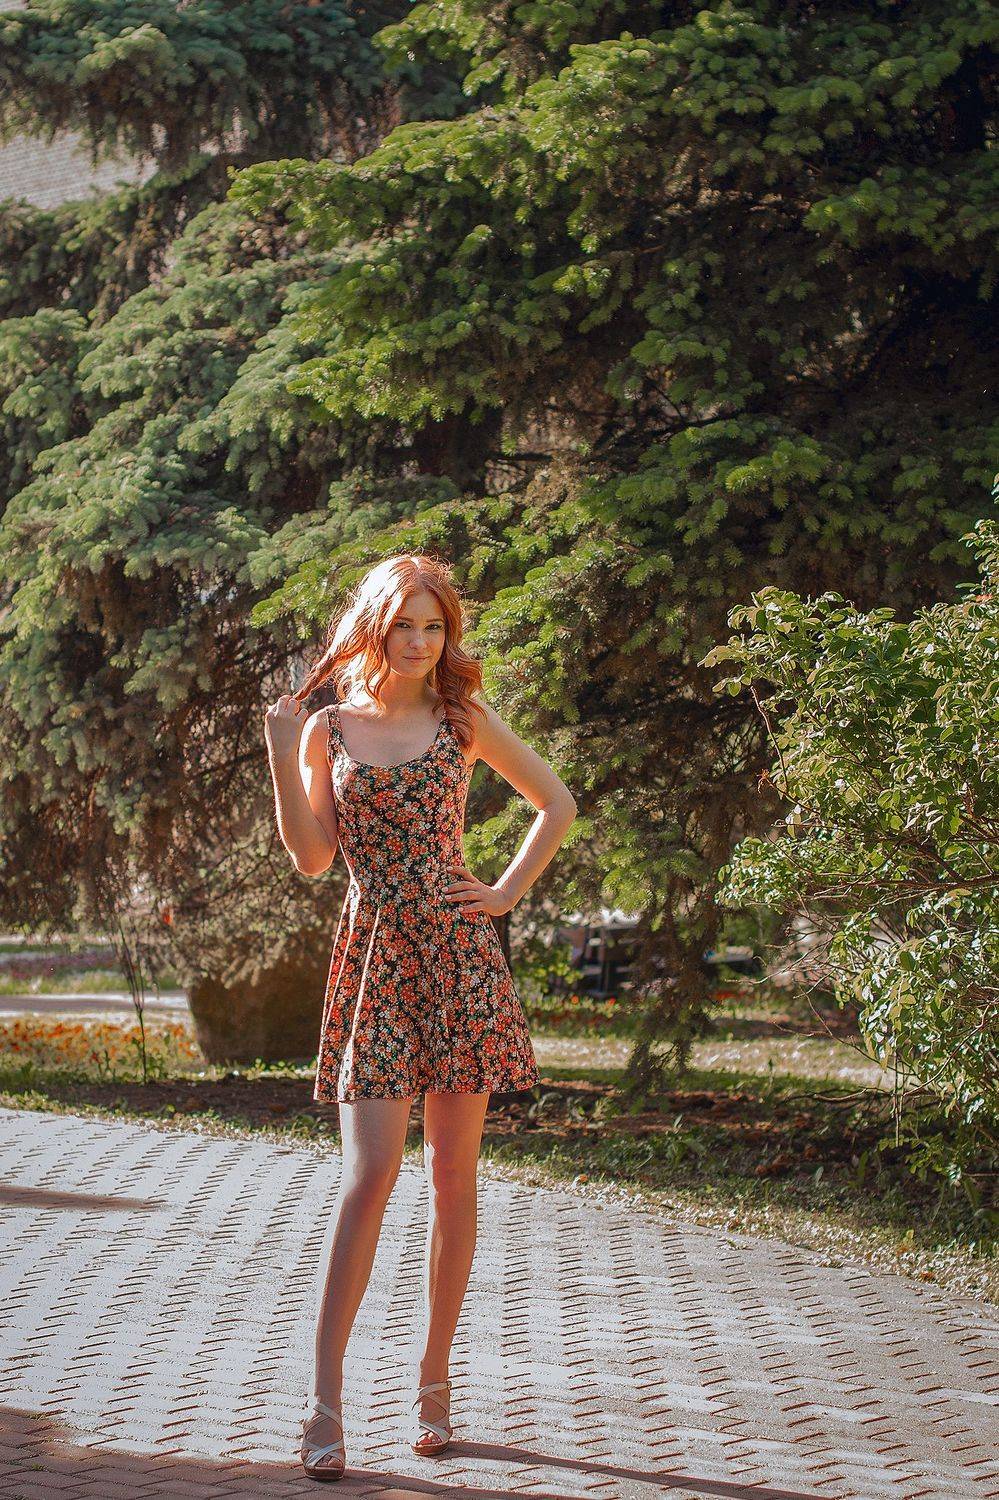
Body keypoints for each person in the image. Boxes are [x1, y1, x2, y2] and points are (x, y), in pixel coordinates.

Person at [263, 553, 577, 1481]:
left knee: (452, 1174)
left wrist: (506, 890)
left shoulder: (461, 719)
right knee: (368, 1178)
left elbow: (554, 803)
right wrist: (286, 756)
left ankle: (434, 1378)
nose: (420, 641)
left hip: (457, 954)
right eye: (404, 624)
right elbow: (314, 860)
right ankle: (324, 1398)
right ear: (374, 625)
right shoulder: (328, 728)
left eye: (434, 627)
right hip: (374, 961)